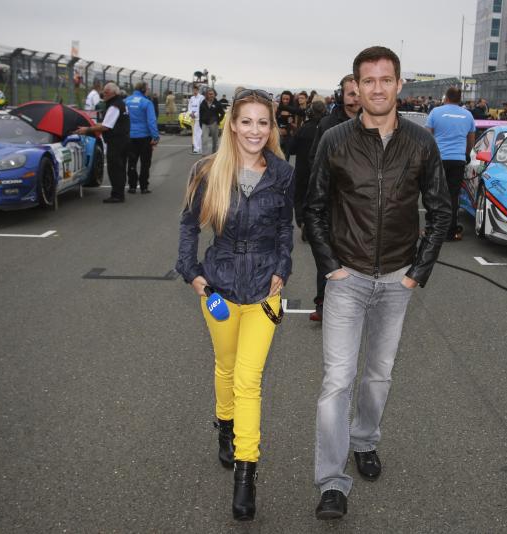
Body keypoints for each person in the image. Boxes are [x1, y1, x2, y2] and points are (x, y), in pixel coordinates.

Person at [304, 46, 451, 520]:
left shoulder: (421, 142)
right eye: (368, 81)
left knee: (379, 374)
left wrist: (416, 273)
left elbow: (442, 211)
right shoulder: (334, 140)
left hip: (396, 279)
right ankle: (331, 482)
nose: (378, 88)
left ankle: (365, 440)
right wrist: (331, 267)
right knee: (337, 381)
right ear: (356, 87)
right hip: (345, 279)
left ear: (400, 84)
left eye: (386, 79)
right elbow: (313, 208)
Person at [175, 88, 294, 521]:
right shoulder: (207, 170)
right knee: (226, 367)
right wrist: (192, 272)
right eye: (247, 121)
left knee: (248, 380)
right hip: (219, 287)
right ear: (232, 125)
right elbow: (189, 226)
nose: (255, 130)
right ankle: (224, 425)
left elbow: (286, 228)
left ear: (272, 127)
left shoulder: (282, 173)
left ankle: (246, 474)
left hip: (264, 290)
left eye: (263, 122)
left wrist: (283, 266)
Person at [305, 73, 361, 322]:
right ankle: (323, 302)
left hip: (362, 206)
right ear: (341, 95)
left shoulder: (375, 122)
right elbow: (313, 161)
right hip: (331, 203)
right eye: (351, 94)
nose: (355, 99)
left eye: (358, 93)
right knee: (327, 254)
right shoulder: (327, 124)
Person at [426, 86, 476, 241]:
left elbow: (427, 136)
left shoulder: (435, 112)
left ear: (446, 98)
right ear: (459, 99)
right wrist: (466, 154)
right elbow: (471, 139)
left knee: (435, 194)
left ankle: (432, 229)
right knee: (453, 196)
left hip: (438, 159)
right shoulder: (468, 115)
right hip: (458, 160)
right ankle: (450, 231)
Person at [74, 82, 130, 203]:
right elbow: (108, 123)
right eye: (103, 91)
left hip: (116, 141)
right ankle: (119, 193)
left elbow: (106, 126)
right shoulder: (120, 103)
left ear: (113, 93)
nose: (103, 94)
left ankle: (117, 195)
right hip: (123, 139)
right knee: (120, 167)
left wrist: (87, 129)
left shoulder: (114, 106)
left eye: (106, 92)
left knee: (114, 168)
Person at [290, 99, 326, 233]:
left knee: (299, 196)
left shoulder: (303, 129)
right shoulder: (328, 129)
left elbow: (292, 149)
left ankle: (302, 221)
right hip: (320, 170)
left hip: (302, 168)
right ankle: (315, 224)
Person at [125, 81, 160, 194]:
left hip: (130, 135)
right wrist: (155, 136)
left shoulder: (126, 101)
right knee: (145, 162)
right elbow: (151, 121)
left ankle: (132, 186)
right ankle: (144, 186)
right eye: (148, 88)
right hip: (144, 136)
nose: (149, 90)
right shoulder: (147, 102)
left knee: (132, 162)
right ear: (143, 89)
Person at [199, 88, 225, 155]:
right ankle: (204, 155)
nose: (211, 95)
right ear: (207, 95)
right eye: (209, 94)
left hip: (214, 124)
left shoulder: (217, 103)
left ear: (215, 94)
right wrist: (201, 124)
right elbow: (200, 114)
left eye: (212, 94)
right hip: (205, 124)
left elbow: (222, 113)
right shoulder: (203, 103)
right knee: (204, 140)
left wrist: (218, 120)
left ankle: (214, 154)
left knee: (215, 140)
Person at [275, 91, 296, 159]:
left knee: (285, 158)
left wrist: (291, 125)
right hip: (278, 136)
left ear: (290, 100)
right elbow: (274, 122)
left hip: (288, 137)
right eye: (283, 99)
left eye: (287, 99)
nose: (285, 101)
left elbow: (297, 126)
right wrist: (278, 129)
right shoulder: (278, 109)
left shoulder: (294, 110)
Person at [188, 85, 205, 154]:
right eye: (193, 90)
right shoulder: (191, 98)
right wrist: (190, 113)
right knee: (194, 133)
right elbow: (189, 107)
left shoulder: (201, 97)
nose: (194, 91)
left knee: (199, 133)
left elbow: (201, 108)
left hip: (199, 118)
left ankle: (199, 148)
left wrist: (195, 114)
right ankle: (196, 148)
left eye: (196, 90)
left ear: (198, 90)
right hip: (193, 118)